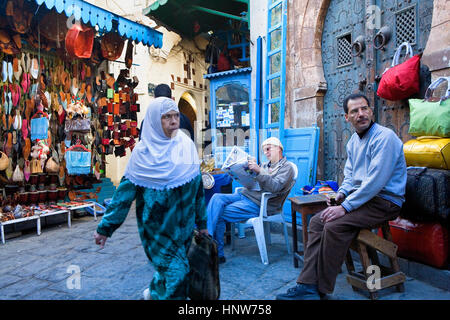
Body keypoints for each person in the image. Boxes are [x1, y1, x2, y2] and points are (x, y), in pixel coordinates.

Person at [276, 93, 407, 300]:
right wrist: (341, 194)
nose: (361, 114)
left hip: (385, 201)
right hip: (365, 199)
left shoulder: (385, 137)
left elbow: (375, 182)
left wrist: (345, 207)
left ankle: (321, 289)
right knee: (318, 221)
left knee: (334, 225)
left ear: (371, 111)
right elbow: (350, 176)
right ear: (347, 117)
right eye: (354, 111)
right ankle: (307, 284)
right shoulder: (354, 141)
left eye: (364, 109)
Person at [93, 97, 208, 300]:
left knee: (172, 271)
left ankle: (154, 294)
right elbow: (123, 197)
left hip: (184, 230)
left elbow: (198, 190)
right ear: (155, 120)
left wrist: (202, 222)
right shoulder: (142, 155)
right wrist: (105, 228)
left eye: (175, 115)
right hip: (157, 232)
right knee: (178, 275)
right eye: (166, 117)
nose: (174, 121)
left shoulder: (187, 147)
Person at [207, 137, 295, 263]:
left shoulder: (286, 168)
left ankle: (216, 251)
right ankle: (209, 236)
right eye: (264, 150)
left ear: (278, 148)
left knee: (218, 212)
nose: (266, 152)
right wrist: (243, 174)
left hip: (259, 204)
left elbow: (275, 187)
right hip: (247, 195)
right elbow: (253, 183)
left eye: (268, 149)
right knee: (216, 198)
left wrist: (259, 171)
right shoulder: (265, 165)